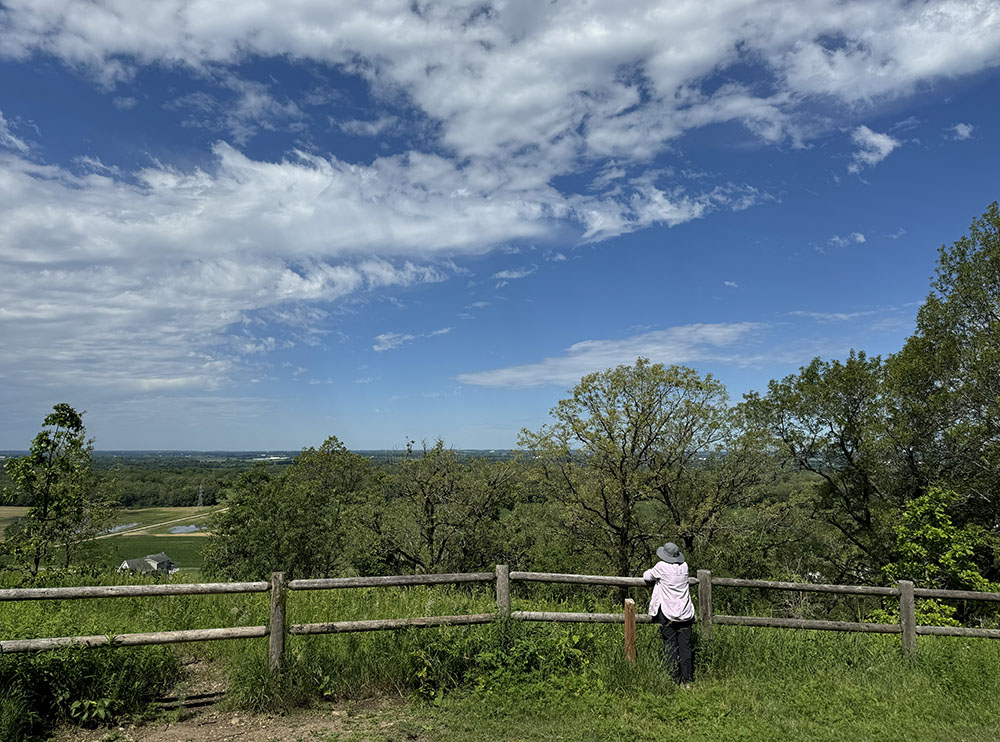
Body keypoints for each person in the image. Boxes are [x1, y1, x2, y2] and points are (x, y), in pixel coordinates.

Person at [643, 541, 695, 686]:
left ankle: (674, 678)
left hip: (667, 612)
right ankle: (688, 680)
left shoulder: (661, 567)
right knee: (685, 646)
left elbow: (647, 576)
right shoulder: (684, 567)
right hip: (685, 612)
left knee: (670, 645)